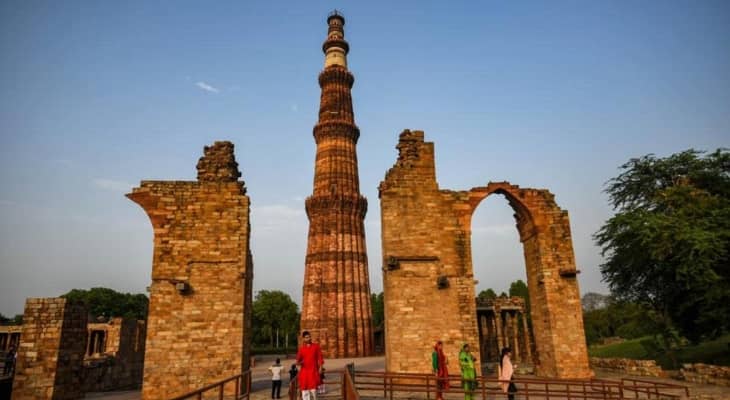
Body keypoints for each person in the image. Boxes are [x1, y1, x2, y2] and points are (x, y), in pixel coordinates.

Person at [296, 331, 324, 400]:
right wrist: (298, 364)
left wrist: (320, 367)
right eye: (306, 337)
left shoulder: (316, 347)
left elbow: (320, 358)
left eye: (309, 337)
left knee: (314, 391)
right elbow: (298, 360)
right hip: (304, 372)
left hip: (313, 371)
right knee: (305, 392)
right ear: (303, 339)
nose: (308, 338)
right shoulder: (301, 349)